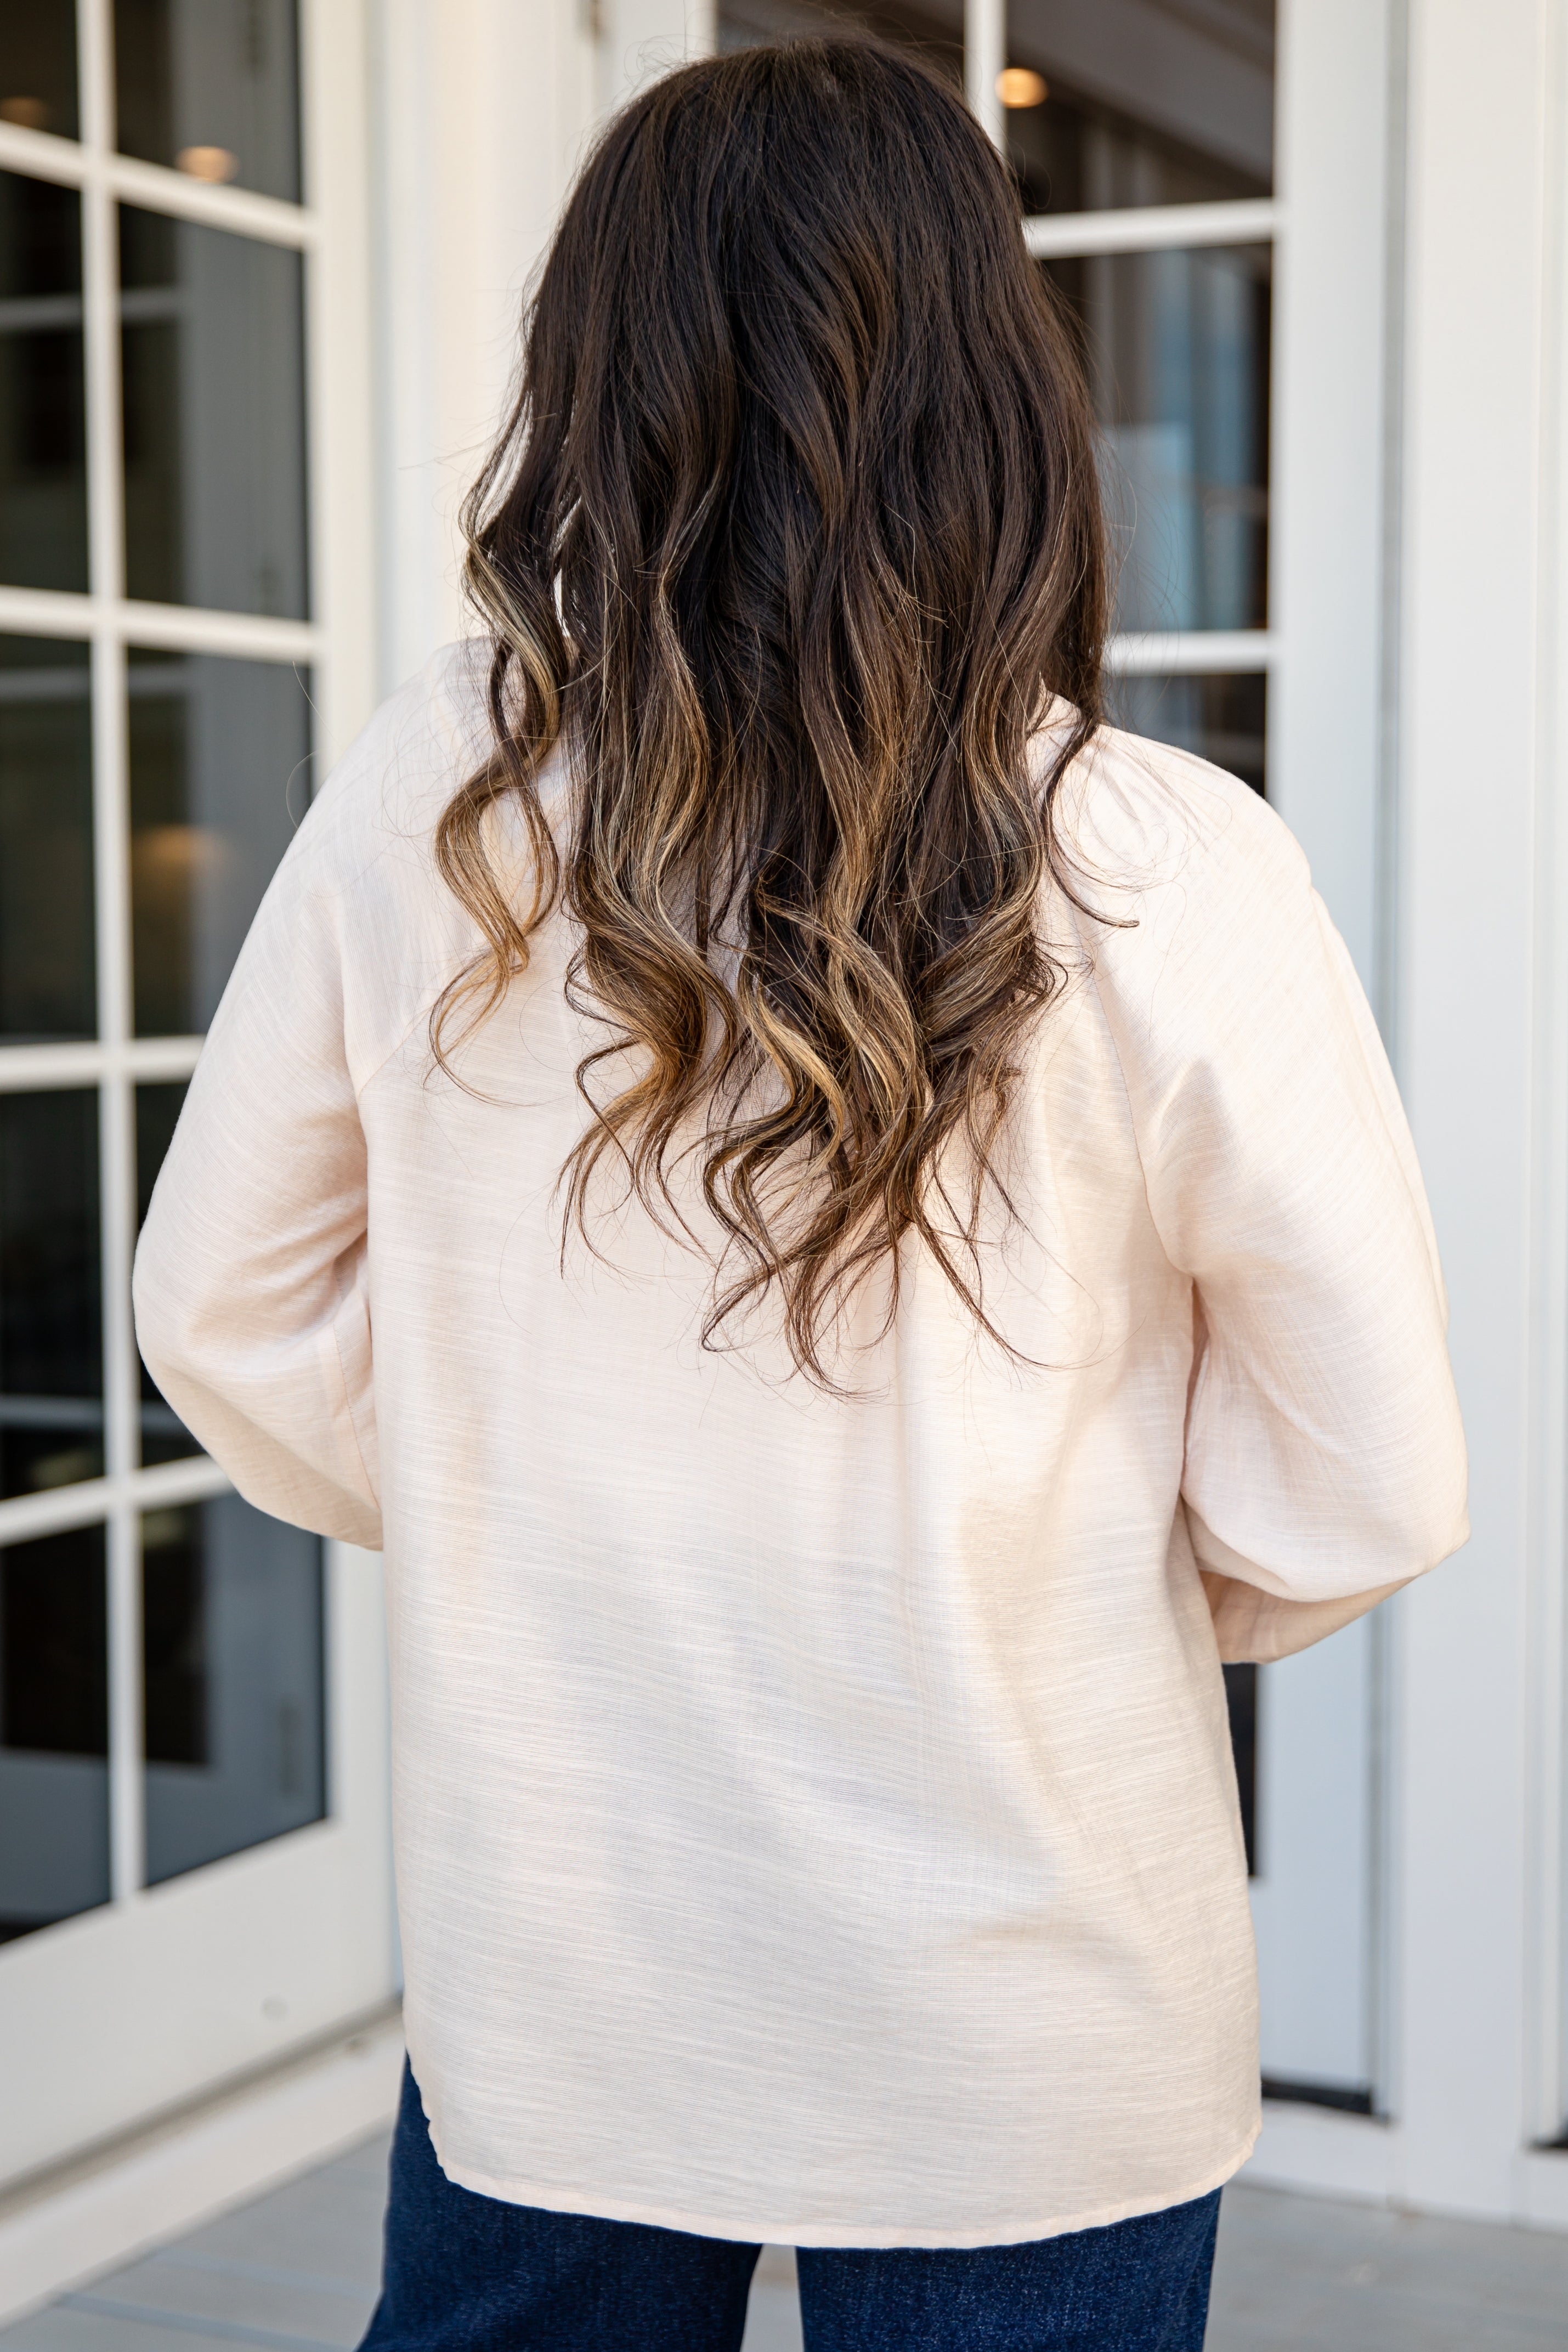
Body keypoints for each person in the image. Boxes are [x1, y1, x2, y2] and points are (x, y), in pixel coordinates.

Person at [133, 36, 1468, 2352]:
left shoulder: (439, 799)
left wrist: (512, 1491)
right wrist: (1083, 1606)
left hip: (563, 1954)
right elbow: (1365, 1480)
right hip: (1039, 1999)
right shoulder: (1168, 865)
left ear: (596, 385)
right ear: (1001, 397)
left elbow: (222, 1312)